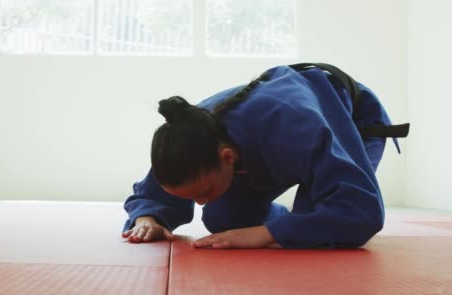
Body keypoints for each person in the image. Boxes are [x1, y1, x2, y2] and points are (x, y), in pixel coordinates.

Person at [121, 63, 409, 249]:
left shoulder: (296, 128)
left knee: (318, 231)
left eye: (205, 191)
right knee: (226, 220)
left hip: (353, 119)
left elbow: (362, 213)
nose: (199, 201)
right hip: (275, 132)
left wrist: (268, 233)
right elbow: (158, 191)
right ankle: (282, 222)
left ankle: (288, 221)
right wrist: (147, 219)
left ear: (228, 157)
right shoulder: (189, 134)